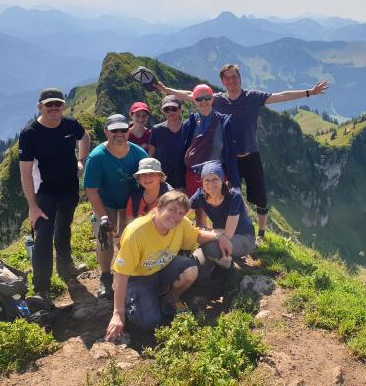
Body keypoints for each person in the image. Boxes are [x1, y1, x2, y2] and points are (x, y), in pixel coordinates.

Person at [158, 64, 328, 238]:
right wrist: (166, 89)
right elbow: (190, 95)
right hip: (228, 158)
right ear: (223, 82)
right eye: (227, 78)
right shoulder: (217, 99)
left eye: (234, 77)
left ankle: (261, 233)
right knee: (227, 195)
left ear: (240, 77)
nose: (231, 81)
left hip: (250, 155)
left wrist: (309, 92)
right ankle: (227, 231)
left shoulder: (252, 97)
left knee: (260, 197)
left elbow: (281, 96)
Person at [104, 190, 232, 340]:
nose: (175, 217)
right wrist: (118, 313)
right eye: (171, 209)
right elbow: (121, 273)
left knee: (190, 269)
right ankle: (136, 301)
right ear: (159, 207)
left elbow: (196, 235)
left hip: (162, 269)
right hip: (138, 278)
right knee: (149, 322)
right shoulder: (137, 232)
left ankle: (170, 298)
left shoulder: (181, 224)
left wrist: (219, 236)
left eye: (180, 213)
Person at [19, 87, 91, 303]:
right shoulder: (30, 133)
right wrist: (32, 206)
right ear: (39, 107)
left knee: (63, 228)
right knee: (42, 238)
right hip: (44, 192)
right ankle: (42, 288)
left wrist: (82, 160)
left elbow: (85, 136)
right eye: (48, 104)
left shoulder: (70, 125)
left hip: (69, 188)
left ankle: (66, 266)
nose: (53, 108)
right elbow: (25, 174)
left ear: (63, 106)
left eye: (57, 104)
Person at [84, 113, 149, 299]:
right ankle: (106, 277)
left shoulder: (139, 154)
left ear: (128, 131)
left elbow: (149, 179)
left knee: (129, 238)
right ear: (106, 132)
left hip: (130, 201)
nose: (119, 134)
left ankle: (130, 272)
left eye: (123, 130)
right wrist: (103, 216)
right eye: (114, 130)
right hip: (106, 201)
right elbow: (91, 189)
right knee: (104, 237)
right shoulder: (96, 157)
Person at [190, 161, 255, 279]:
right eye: (207, 180)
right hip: (219, 235)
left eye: (215, 179)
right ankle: (218, 267)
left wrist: (203, 232)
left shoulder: (233, 196)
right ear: (202, 182)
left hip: (243, 237)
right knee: (198, 260)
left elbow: (228, 234)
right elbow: (181, 213)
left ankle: (228, 268)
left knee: (208, 246)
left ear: (222, 180)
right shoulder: (200, 195)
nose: (211, 184)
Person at [178, 84, 240, 197]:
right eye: (199, 99)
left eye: (207, 98)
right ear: (194, 101)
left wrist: (235, 184)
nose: (203, 101)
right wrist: (180, 183)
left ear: (213, 99)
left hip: (217, 178)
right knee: (198, 213)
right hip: (193, 177)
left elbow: (231, 154)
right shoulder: (189, 124)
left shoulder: (224, 123)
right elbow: (182, 153)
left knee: (218, 212)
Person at [149, 95, 184, 188]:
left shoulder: (188, 129)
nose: (170, 112)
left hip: (183, 181)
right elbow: (151, 156)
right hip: (162, 181)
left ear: (180, 109)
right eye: (166, 109)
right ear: (162, 111)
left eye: (174, 108)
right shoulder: (157, 130)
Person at [126, 157, 174, 222]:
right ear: (139, 178)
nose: (147, 178)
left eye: (152, 174)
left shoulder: (172, 197)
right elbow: (130, 224)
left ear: (160, 176)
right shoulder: (134, 197)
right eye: (143, 174)